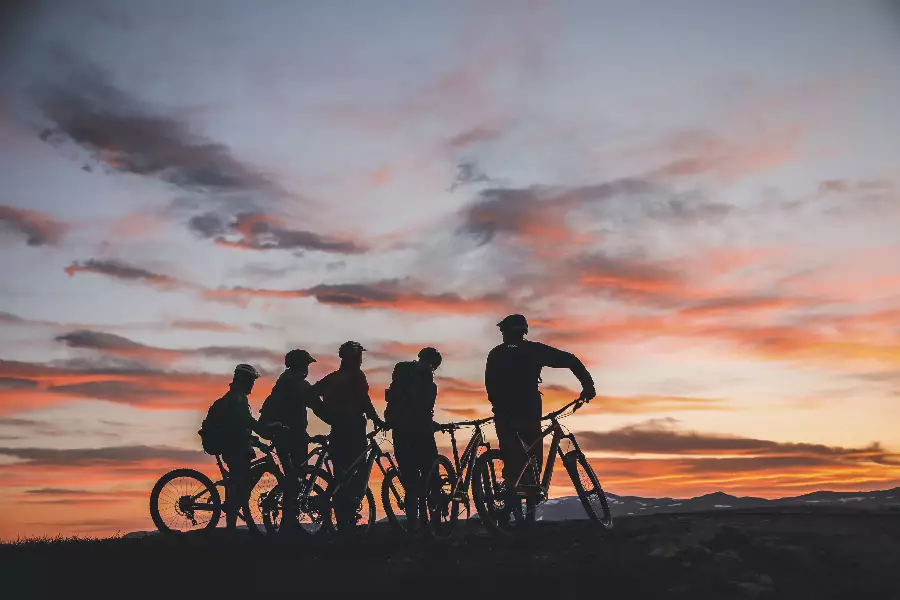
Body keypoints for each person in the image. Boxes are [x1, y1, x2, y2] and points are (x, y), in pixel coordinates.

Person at [484, 314, 595, 522]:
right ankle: (529, 509)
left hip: (504, 414)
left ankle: (508, 514)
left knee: (512, 459)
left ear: (507, 332)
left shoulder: (496, 353)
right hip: (529, 412)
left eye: (503, 331)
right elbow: (570, 360)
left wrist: (498, 405)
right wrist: (588, 385)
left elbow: (489, 384)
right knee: (533, 459)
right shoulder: (533, 350)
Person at [311, 341, 385, 529]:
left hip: (338, 430)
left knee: (341, 474)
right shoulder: (357, 376)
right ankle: (348, 517)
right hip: (354, 430)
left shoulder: (333, 378)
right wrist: (376, 419)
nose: (361, 360)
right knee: (356, 472)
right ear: (354, 358)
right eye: (359, 356)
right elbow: (364, 400)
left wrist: (327, 416)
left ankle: (343, 520)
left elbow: (311, 395)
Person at [259, 349, 323, 533]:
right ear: (301, 366)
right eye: (307, 364)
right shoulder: (299, 385)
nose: (308, 369)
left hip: (282, 434)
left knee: (292, 477)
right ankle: (289, 523)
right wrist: (338, 419)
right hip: (292, 435)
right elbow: (318, 407)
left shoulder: (282, 382)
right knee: (297, 478)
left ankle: (289, 521)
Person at [384, 347, 442, 533]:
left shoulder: (402, 373)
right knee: (431, 476)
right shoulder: (429, 384)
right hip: (421, 432)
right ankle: (433, 524)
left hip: (400, 430)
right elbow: (422, 409)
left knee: (410, 481)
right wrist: (431, 424)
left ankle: (412, 527)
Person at [211, 363, 268, 530]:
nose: (252, 385)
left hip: (235, 446)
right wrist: (264, 432)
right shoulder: (237, 398)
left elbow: (239, 427)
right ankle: (236, 524)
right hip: (235, 449)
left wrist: (256, 441)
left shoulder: (235, 397)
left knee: (236, 487)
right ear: (244, 380)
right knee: (241, 488)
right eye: (251, 381)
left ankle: (232, 528)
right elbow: (247, 421)